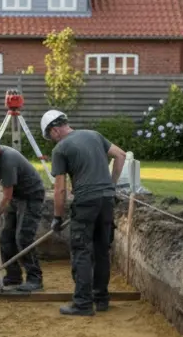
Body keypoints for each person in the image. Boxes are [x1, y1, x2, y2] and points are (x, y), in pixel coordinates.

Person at [42, 110, 126, 316]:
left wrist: (57, 217)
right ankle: (101, 299)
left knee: (81, 251)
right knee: (101, 250)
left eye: (50, 136)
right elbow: (120, 155)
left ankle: (82, 304)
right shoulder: (94, 135)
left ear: (54, 130)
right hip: (106, 201)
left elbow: (60, 189)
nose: (52, 141)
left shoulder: (61, 149)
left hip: (86, 203)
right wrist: (111, 185)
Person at [0, 132, 45, 291]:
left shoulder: (8, 160)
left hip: (31, 196)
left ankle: (35, 279)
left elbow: (7, 196)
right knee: (6, 237)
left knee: (23, 237)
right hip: (17, 196)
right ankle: (13, 276)